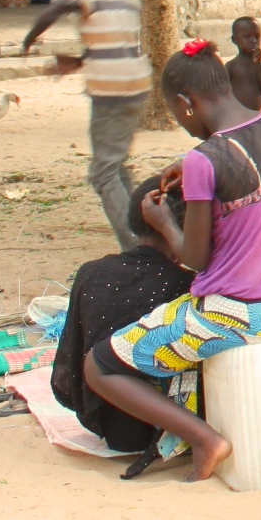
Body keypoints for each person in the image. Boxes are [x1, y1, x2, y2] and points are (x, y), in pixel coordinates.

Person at [78, 44, 261, 481]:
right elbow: (247, 169)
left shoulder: (205, 159)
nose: (182, 124)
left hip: (232, 317)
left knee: (99, 365)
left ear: (186, 103)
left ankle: (205, 439)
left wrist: (163, 221)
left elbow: (196, 259)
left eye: (176, 113)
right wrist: (194, 167)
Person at [23, 0, 152, 255]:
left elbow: (55, 10)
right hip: (137, 84)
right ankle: (147, 230)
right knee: (117, 163)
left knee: (103, 173)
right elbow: (114, 41)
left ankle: (137, 248)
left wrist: (29, 38)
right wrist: (81, 61)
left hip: (110, 91)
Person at [49, 198, 197, 477]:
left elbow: (68, 368)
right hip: (166, 429)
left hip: (105, 424)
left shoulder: (90, 273)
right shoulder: (186, 284)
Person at [226, 15, 261, 106]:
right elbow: (221, 91)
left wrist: (258, 64)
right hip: (237, 115)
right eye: (247, 37)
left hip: (256, 114)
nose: (254, 40)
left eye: (257, 36)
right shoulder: (231, 66)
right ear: (234, 40)